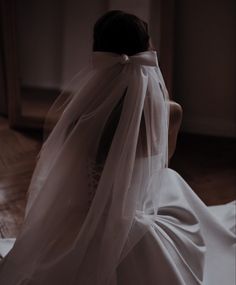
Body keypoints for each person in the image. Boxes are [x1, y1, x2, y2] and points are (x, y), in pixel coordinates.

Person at [0, 10, 235, 285]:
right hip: (134, 228)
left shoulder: (80, 118)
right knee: (171, 183)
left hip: (81, 227)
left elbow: (69, 179)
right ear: (148, 51)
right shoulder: (170, 113)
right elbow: (159, 168)